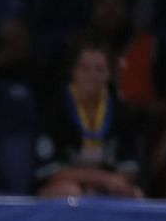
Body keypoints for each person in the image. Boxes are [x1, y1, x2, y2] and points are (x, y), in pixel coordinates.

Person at [35, 41, 143, 199]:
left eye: (99, 69)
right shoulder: (55, 107)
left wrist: (111, 184)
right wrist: (102, 179)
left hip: (106, 188)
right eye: (85, 68)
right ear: (74, 71)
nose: (92, 75)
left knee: (135, 195)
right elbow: (52, 172)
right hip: (64, 185)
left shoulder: (120, 110)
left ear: (109, 74)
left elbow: (129, 166)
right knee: (69, 192)